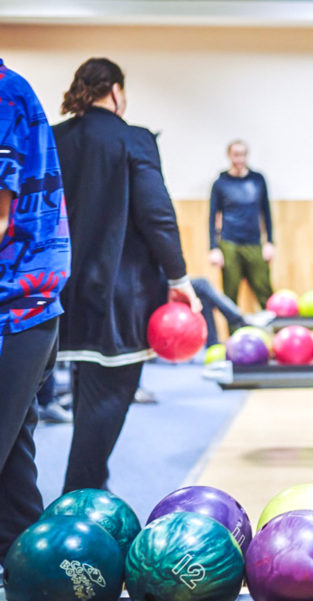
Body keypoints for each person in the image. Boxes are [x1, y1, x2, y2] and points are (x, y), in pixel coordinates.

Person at [53, 57, 201, 493]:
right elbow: (157, 216)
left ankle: (89, 488)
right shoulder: (133, 138)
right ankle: (78, 497)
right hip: (120, 294)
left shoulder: (54, 138)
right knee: (109, 395)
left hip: (60, 289)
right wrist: (178, 277)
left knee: (85, 385)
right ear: (115, 90)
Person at [0, 59, 71, 567]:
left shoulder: (4, 95)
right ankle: (29, 572)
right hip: (28, 312)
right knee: (13, 474)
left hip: (14, 308)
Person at [208, 140, 274, 309]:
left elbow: (265, 211)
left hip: (253, 242)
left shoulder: (257, 180)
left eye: (243, 154)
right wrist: (213, 248)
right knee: (230, 294)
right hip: (229, 242)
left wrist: (269, 242)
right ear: (229, 156)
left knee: (264, 289)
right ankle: (233, 334)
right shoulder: (221, 183)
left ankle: (275, 332)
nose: (240, 159)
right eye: (236, 155)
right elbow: (212, 216)